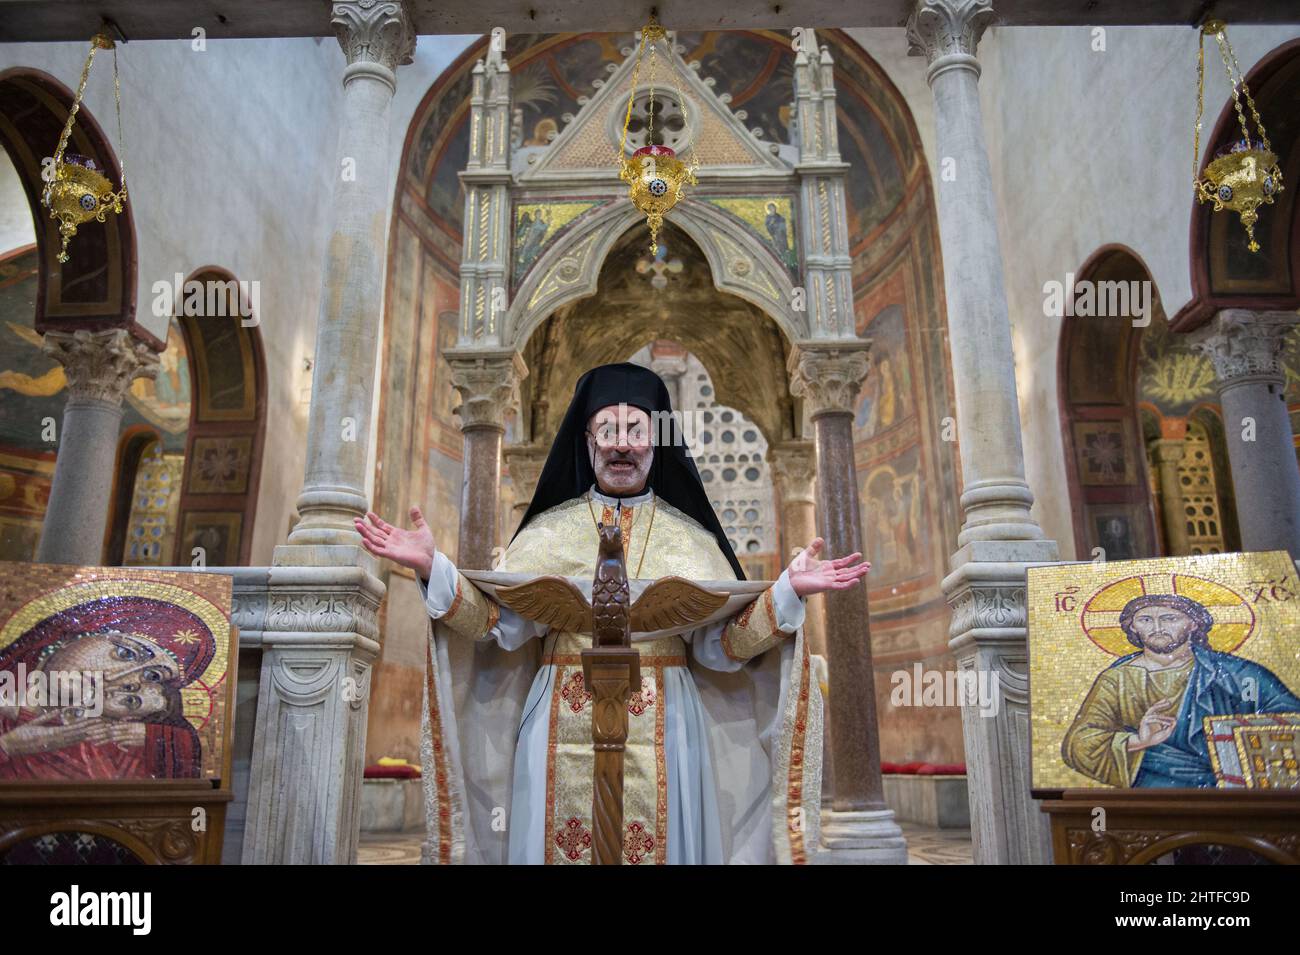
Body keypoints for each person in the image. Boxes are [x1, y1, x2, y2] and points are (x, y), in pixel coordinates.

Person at [357, 362, 869, 864]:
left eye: (635, 430)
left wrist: (786, 592)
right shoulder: (545, 534)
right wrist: (435, 568)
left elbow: (723, 645)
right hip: (558, 716)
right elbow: (500, 626)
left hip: (668, 720)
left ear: (657, 442)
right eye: (607, 429)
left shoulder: (693, 541)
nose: (621, 444)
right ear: (587, 441)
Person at [1061, 592, 1300, 787]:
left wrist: (1241, 738)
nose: (1157, 627)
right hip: (1155, 791)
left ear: (1194, 623)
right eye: (1145, 620)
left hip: (1238, 792)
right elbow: (1078, 744)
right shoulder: (1116, 680)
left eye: (1169, 618)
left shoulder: (1235, 672)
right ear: (1132, 627)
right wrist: (1138, 740)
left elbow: (1290, 717)